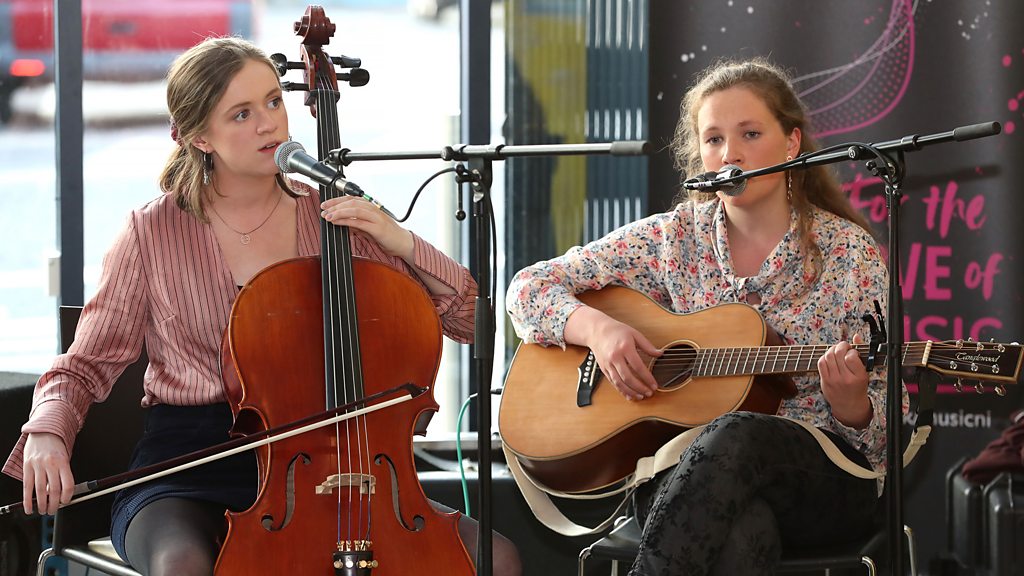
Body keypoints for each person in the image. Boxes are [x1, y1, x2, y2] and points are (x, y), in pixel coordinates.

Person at [4, 36, 520, 576]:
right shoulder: (150, 233)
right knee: (183, 565)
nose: (269, 124)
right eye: (242, 113)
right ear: (198, 137)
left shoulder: (335, 219)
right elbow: (85, 365)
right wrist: (47, 430)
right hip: (189, 469)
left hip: (333, 460)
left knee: (496, 559)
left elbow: (471, 321)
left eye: (274, 101)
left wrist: (403, 242)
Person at [505, 57, 908, 575]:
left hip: (822, 481)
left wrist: (853, 407)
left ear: (791, 143)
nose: (729, 154)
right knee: (740, 535)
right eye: (714, 139)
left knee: (737, 432)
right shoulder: (673, 238)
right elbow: (528, 287)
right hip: (686, 475)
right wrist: (599, 331)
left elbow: (885, 434)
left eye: (750, 134)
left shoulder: (849, 253)